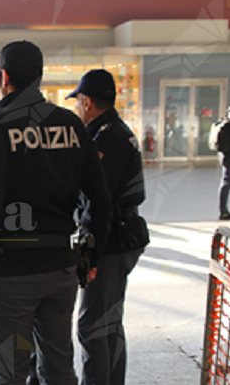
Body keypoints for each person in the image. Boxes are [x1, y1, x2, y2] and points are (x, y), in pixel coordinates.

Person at [0, 40, 112, 385]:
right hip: (61, 267)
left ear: (4, 77)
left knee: (9, 372)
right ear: (39, 77)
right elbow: (101, 201)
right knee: (58, 369)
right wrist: (93, 256)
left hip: (12, 271)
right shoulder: (71, 124)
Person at [70, 69, 150, 385]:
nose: (78, 107)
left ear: (87, 102)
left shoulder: (107, 139)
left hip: (111, 241)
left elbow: (97, 202)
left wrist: (91, 254)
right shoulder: (112, 131)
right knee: (109, 323)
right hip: (121, 234)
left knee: (91, 326)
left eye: (78, 101)